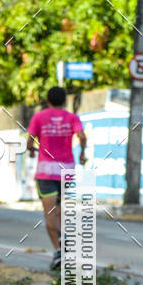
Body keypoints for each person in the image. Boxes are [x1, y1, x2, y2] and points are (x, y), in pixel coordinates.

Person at [27, 86, 87, 269]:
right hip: (66, 169)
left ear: (47, 100)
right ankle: (65, 244)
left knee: (50, 212)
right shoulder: (72, 117)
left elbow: (29, 141)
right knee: (61, 210)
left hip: (46, 171)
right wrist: (82, 153)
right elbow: (82, 136)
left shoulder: (39, 117)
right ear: (65, 100)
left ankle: (59, 250)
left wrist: (32, 150)